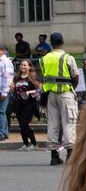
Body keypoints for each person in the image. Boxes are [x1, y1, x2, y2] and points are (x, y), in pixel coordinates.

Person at [39, 32, 79, 166]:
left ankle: (54, 155)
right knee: (68, 122)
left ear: (50, 43)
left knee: (53, 123)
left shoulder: (44, 58)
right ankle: (70, 154)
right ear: (62, 42)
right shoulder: (67, 57)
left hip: (51, 94)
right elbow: (75, 76)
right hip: (65, 93)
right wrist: (72, 88)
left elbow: (44, 76)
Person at [9, 59, 41, 151]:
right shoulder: (17, 77)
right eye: (22, 65)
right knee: (21, 125)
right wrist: (12, 88)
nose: (23, 67)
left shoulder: (33, 77)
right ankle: (25, 143)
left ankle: (34, 143)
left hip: (29, 103)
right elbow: (13, 91)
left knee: (24, 124)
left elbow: (39, 89)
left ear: (30, 67)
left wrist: (29, 92)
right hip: (18, 103)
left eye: (25, 65)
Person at [0, 44, 12, 141]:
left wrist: (4, 92)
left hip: (2, 91)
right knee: (1, 112)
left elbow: (7, 78)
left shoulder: (5, 61)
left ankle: (2, 133)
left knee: (1, 112)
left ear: (2, 51)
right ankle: (5, 132)